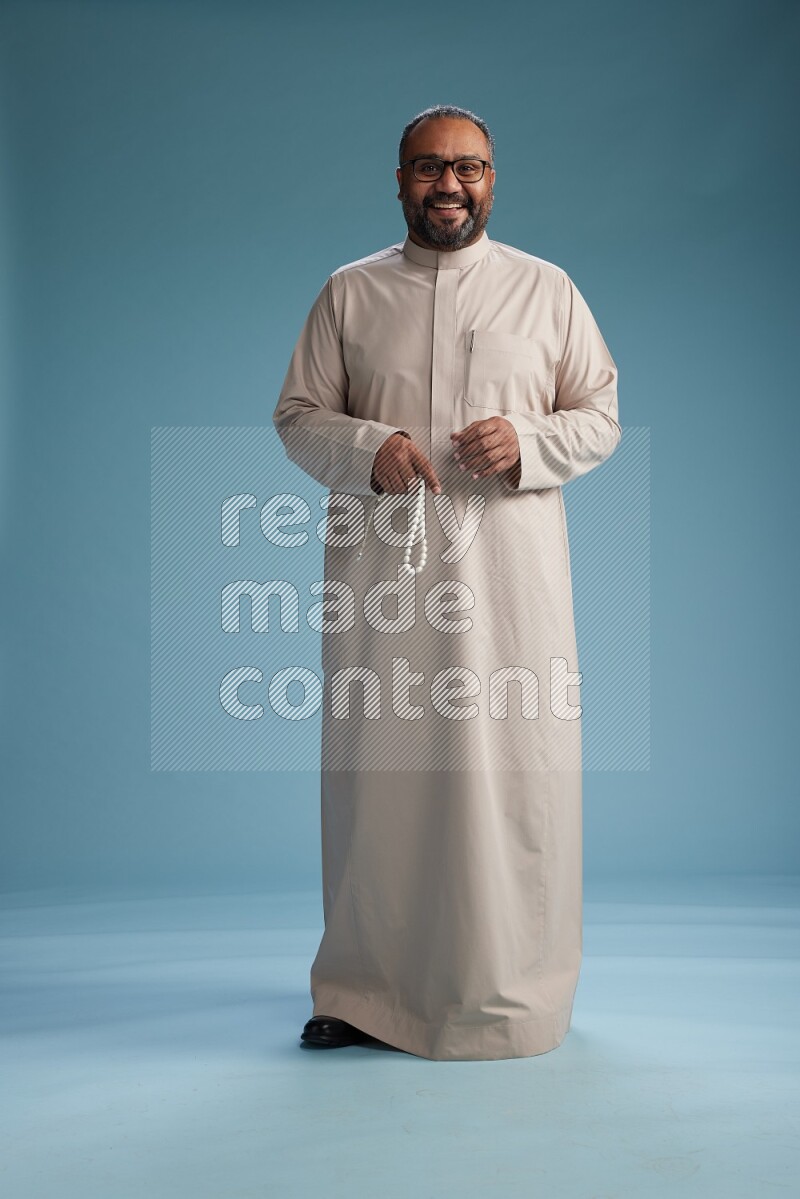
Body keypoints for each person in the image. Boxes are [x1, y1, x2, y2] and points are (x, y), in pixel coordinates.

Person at [273, 104, 621, 1061]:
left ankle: (514, 989)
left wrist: (530, 441)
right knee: (379, 779)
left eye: (468, 167)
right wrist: (367, 444)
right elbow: (298, 415)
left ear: (494, 181)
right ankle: (361, 989)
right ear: (398, 182)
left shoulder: (546, 292)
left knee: (510, 777)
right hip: (384, 582)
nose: (449, 185)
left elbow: (600, 413)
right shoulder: (350, 292)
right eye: (429, 168)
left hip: (508, 583)